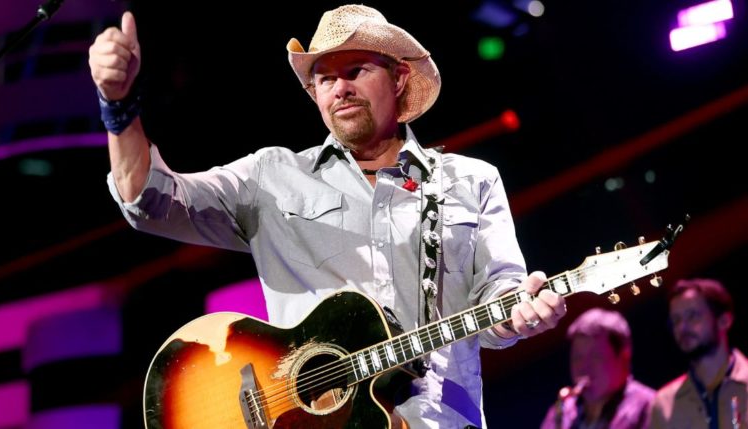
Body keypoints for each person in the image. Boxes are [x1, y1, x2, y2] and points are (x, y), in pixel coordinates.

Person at [89, 5, 567, 428]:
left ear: (399, 78)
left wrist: (521, 315)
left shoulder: (470, 181)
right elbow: (150, 201)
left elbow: (499, 303)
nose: (339, 88)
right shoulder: (271, 175)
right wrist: (118, 107)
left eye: (356, 70)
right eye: (324, 78)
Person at [649, 278, 747, 429]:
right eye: (676, 320)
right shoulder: (664, 403)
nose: (682, 328)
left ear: (724, 320)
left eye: (692, 316)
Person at [540, 308, 655, 429]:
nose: (584, 366)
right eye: (577, 357)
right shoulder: (561, 413)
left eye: (595, 356)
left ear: (624, 354)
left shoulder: (650, 406)